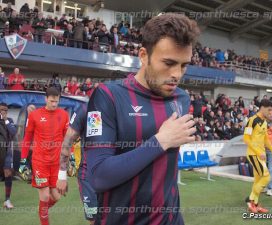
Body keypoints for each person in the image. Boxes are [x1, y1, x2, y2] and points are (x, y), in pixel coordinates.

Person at [85, 13, 200, 225]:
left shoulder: (181, 99)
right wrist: (161, 140)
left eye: (184, 65)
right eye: (168, 63)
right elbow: (98, 176)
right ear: (144, 55)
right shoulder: (106, 96)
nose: (176, 74)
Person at [19, 87, 69, 225]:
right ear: (45, 99)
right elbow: (27, 138)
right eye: (52, 101)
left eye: (57, 101)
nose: (54, 104)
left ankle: (42, 211)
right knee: (45, 195)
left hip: (56, 163)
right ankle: (44, 217)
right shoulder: (34, 115)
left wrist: (70, 157)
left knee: (57, 196)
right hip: (40, 161)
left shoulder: (64, 115)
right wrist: (23, 160)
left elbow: (67, 138)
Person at [57, 105, 98, 225]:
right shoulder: (86, 110)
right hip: (88, 176)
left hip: (114, 174)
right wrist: (62, 176)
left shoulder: (118, 107)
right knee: (94, 220)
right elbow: (67, 142)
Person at [243, 99, 272, 213]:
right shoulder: (252, 120)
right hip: (254, 154)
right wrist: (258, 152)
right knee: (266, 176)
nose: (270, 112)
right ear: (262, 107)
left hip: (261, 154)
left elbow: (266, 139)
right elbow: (246, 138)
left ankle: (255, 205)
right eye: (269, 109)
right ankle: (251, 200)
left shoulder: (264, 122)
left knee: (258, 180)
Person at [0, 103, 17, 209]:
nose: (3, 112)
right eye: (1, 110)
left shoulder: (9, 120)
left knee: (8, 173)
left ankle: (7, 200)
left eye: (5, 110)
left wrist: (5, 120)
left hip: (7, 152)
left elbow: (14, 132)